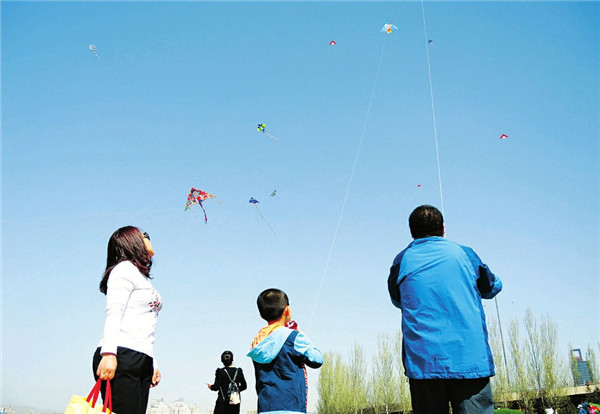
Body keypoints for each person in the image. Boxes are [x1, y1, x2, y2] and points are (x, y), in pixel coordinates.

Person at [387, 205, 502, 414]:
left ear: (412, 232)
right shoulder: (465, 254)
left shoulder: (402, 259)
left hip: (424, 363)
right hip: (469, 360)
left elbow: (397, 299)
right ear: (443, 228)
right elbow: (492, 287)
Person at [93, 226, 163, 414]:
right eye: (145, 235)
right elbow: (114, 312)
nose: (148, 238)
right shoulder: (123, 269)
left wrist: (152, 361)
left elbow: (145, 324)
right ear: (132, 241)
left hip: (140, 357)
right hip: (121, 354)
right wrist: (108, 353)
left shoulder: (142, 278)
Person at [247, 288, 323, 414]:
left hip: (266, 408)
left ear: (261, 315)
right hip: (292, 408)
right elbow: (317, 359)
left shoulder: (257, 341)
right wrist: (300, 334)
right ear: (287, 310)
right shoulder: (293, 337)